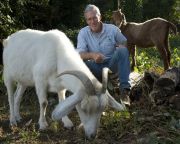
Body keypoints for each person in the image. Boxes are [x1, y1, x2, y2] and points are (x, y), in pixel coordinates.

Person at [76, 4, 131, 105]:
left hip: (111, 65)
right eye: (89, 19)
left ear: (100, 17)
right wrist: (93, 55)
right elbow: (79, 54)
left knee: (123, 51)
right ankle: (84, 94)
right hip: (95, 67)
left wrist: (120, 48)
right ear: (86, 21)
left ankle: (125, 92)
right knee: (79, 63)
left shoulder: (112, 29)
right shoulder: (83, 33)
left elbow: (124, 42)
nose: (92, 22)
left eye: (94, 18)